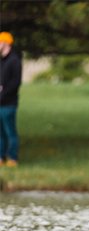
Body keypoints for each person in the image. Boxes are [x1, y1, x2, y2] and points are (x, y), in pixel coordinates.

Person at [0, 32, 22, 167]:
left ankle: (12, 158)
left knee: (10, 132)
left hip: (8, 104)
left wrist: (2, 93)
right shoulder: (1, 61)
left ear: (6, 43)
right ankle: (0, 157)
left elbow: (15, 84)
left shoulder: (14, 60)